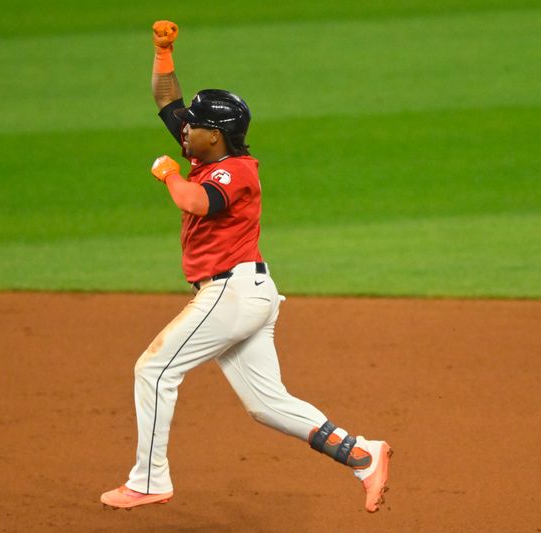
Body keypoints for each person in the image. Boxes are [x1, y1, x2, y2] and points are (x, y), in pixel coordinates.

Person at [100, 20, 392, 513]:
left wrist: (169, 175)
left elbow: (197, 202)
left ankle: (149, 481)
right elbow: (165, 100)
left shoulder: (235, 172)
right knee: (266, 404)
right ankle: (363, 454)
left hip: (230, 295)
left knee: (153, 370)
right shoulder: (210, 150)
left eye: (193, 125)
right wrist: (163, 51)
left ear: (216, 135)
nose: (182, 129)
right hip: (246, 293)